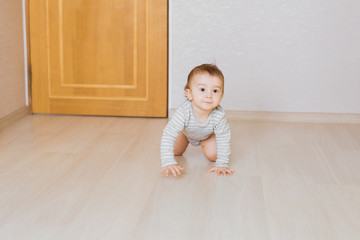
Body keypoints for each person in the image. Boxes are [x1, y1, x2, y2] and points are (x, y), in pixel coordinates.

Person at [160, 64, 235, 177]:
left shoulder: (219, 115)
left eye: (215, 91)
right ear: (189, 94)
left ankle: (205, 142)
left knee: (214, 156)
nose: (209, 95)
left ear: (221, 95)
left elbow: (224, 138)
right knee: (175, 151)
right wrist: (168, 162)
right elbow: (168, 135)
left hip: (207, 136)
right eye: (202, 89)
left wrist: (222, 163)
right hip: (185, 133)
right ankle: (183, 137)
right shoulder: (183, 112)